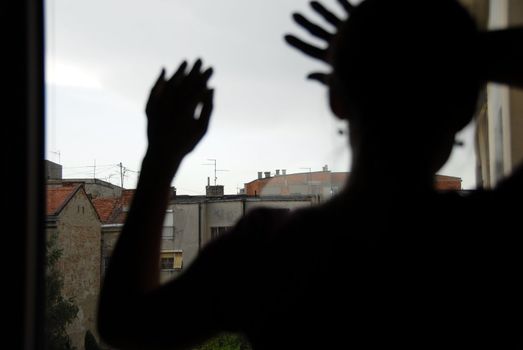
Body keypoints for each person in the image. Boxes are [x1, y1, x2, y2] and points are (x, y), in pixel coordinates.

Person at [98, 0, 523, 348]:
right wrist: (466, 55)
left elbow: (124, 324)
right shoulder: (490, 235)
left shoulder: (271, 254)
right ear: (465, 110)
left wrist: (161, 158)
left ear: (337, 99)